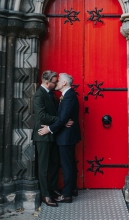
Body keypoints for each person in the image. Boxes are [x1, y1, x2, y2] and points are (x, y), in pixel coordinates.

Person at [38, 73, 81, 203]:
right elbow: (62, 118)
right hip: (65, 135)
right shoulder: (66, 96)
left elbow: (63, 119)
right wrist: (60, 122)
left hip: (66, 137)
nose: (56, 83)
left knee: (67, 165)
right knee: (69, 164)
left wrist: (49, 129)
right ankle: (72, 189)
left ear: (63, 83)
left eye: (58, 81)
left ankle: (67, 195)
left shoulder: (69, 97)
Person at [32, 70, 61, 207]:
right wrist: (61, 120)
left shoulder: (51, 93)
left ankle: (53, 188)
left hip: (52, 132)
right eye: (54, 82)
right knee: (43, 167)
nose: (56, 84)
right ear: (47, 82)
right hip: (42, 134)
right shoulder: (39, 95)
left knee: (55, 163)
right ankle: (45, 195)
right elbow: (42, 116)